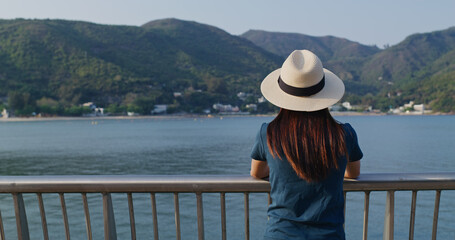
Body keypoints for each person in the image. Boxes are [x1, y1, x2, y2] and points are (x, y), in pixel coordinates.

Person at [250, 50, 363, 240]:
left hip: (280, 234)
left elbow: (257, 173)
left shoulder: (267, 133)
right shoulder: (345, 134)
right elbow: (353, 173)